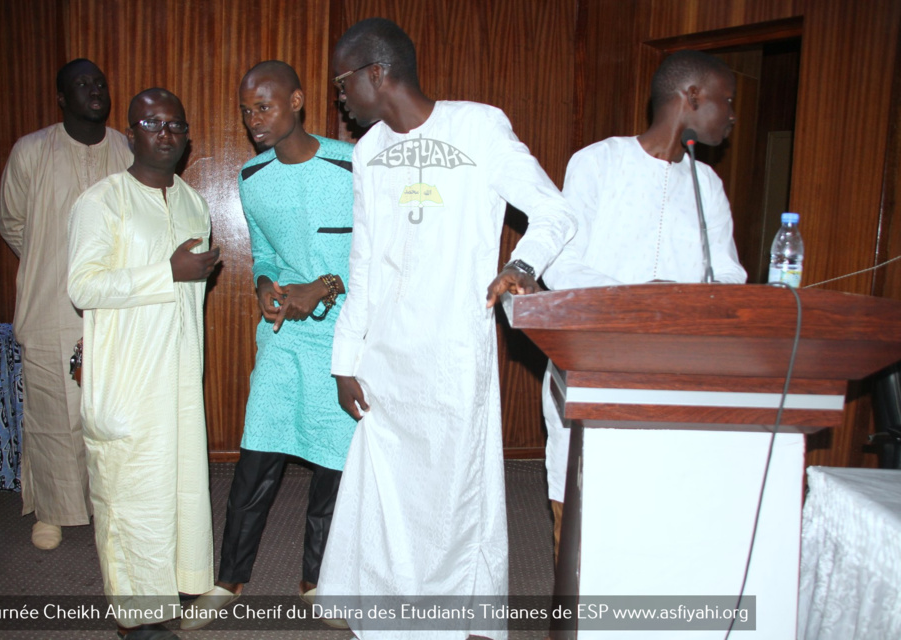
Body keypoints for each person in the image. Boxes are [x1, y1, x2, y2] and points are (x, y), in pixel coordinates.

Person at [316, 18, 578, 639]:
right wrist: (344, 359)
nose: (339, 96)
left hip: (453, 350)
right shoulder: (367, 152)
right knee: (387, 492)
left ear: (377, 73)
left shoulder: (479, 126)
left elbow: (555, 210)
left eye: (342, 82)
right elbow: (364, 261)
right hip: (385, 355)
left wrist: (521, 264)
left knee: (453, 494)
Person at [541, 50, 748, 562]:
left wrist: (679, 304)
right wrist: (641, 301)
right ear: (691, 97)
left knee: (657, 525)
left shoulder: (707, 185)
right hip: (593, 367)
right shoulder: (598, 162)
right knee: (583, 525)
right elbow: (561, 267)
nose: (732, 115)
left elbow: (729, 278)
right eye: (726, 101)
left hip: (675, 376)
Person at [181, 61, 356, 630]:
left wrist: (324, 285)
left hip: (343, 335)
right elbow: (265, 253)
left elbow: (381, 256)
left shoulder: (352, 165)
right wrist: (264, 283)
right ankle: (227, 581)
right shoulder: (251, 177)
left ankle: (317, 582)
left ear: (297, 101)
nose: (254, 120)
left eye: (265, 106)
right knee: (257, 451)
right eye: (246, 111)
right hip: (282, 336)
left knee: (333, 463)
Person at [67, 88, 221, 640]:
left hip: (178, 376)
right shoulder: (101, 201)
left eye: (176, 125)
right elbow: (83, 286)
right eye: (152, 124)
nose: (166, 134)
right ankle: (136, 617)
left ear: (187, 136)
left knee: (177, 488)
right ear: (130, 133)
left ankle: (174, 587)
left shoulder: (193, 203)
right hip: (128, 378)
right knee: (130, 496)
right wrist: (166, 272)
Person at [0, 58, 133, 551]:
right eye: (81, 83)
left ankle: (109, 505)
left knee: (109, 412)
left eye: (99, 82)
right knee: (53, 410)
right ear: (61, 97)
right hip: (49, 304)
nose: (94, 89)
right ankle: (51, 511)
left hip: (114, 307)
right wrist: (52, 262)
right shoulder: (31, 151)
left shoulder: (126, 150)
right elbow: (12, 222)